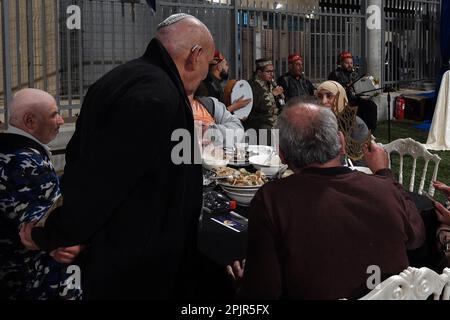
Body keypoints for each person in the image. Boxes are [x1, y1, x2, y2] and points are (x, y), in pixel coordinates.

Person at [19, 14, 214, 299]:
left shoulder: (120, 78)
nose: (206, 74)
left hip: (119, 253)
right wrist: (52, 234)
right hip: (137, 269)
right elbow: (105, 181)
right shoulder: (157, 96)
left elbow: (82, 161)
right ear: (195, 56)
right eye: (208, 64)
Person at [228, 100, 425, 299]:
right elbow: (417, 235)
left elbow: (261, 294)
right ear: (341, 142)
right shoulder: (384, 187)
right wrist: (383, 172)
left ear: (282, 155)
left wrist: (245, 284)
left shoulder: (272, 200)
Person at [0, 88, 82, 300]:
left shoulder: (7, 151)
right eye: (54, 114)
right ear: (29, 121)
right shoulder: (29, 164)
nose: (62, 120)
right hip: (32, 280)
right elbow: (43, 231)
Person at [316, 80, 370, 165]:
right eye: (319, 96)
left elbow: (360, 161)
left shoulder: (356, 124)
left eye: (329, 96)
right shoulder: (314, 122)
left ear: (341, 98)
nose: (323, 101)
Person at [328, 51, 378, 132]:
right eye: (347, 63)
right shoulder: (335, 74)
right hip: (344, 102)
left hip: (357, 100)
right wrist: (346, 87)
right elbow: (333, 90)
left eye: (351, 63)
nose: (350, 65)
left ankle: (369, 132)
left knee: (371, 105)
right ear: (341, 63)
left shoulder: (354, 74)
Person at [244, 58, 284, 145]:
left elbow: (279, 106)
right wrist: (272, 95)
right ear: (259, 73)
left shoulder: (271, 84)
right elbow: (255, 105)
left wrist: (280, 98)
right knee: (268, 130)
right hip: (258, 122)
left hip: (273, 120)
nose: (271, 74)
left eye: (272, 71)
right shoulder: (251, 85)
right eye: (268, 72)